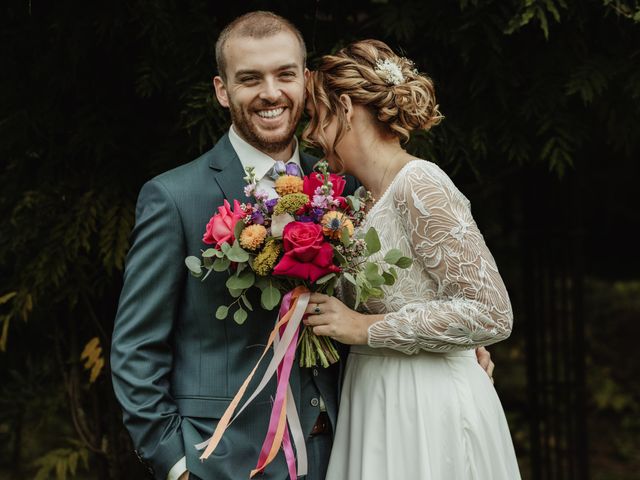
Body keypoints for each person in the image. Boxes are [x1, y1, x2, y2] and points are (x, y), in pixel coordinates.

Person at [111, 11, 495, 480]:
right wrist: (176, 464)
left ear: (306, 80)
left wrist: (452, 347)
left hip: (351, 442)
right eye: (249, 78)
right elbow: (136, 349)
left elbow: (402, 296)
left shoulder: (350, 187)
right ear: (221, 90)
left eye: (284, 75)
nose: (270, 92)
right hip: (224, 461)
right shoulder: (175, 198)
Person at [302, 39, 521, 479]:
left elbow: (492, 313)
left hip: (426, 406)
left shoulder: (419, 183)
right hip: (374, 399)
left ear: (344, 108)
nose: (309, 134)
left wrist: (366, 327)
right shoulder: (360, 201)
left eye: (315, 116)